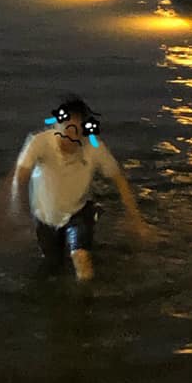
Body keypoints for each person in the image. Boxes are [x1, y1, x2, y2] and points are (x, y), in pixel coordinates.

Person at [10, 95, 156, 281]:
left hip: (79, 212)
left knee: (81, 259)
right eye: (66, 130)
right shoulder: (40, 142)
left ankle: (86, 303)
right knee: (52, 265)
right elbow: (21, 174)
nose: (70, 138)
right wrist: (18, 212)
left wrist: (136, 219)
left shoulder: (94, 147)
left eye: (76, 132)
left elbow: (118, 179)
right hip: (45, 216)